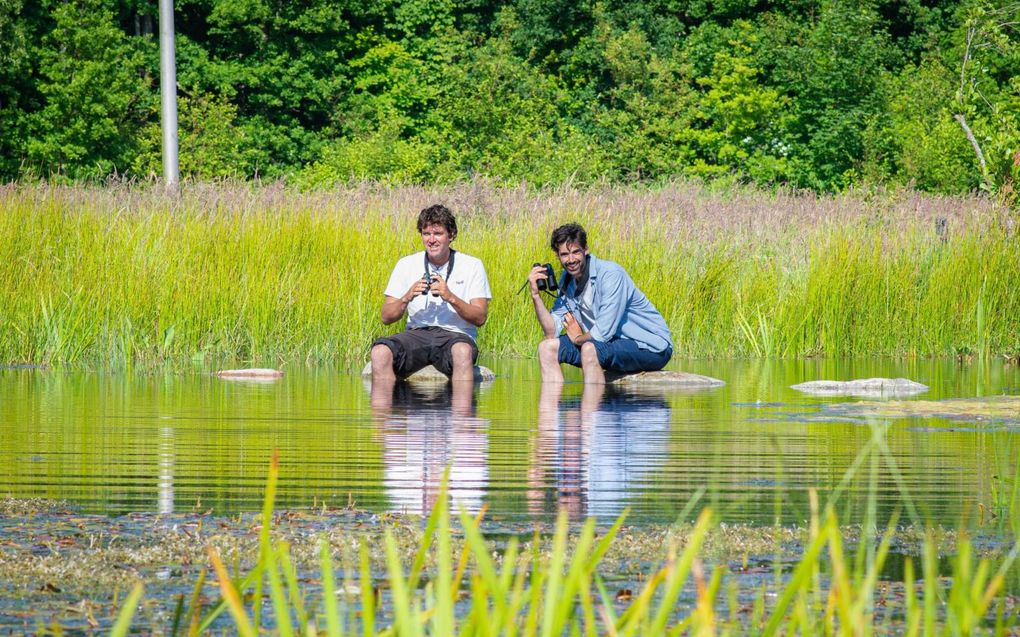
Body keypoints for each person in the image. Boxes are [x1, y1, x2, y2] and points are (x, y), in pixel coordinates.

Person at [528, 222, 672, 384]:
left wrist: (577, 339)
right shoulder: (566, 280)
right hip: (608, 345)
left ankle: (592, 409)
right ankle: (551, 407)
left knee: (590, 349)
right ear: (557, 256)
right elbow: (551, 332)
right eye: (564, 255)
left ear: (586, 250)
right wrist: (535, 295)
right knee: (546, 348)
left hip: (650, 347)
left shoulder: (611, 274)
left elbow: (602, 334)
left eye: (576, 252)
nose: (571, 260)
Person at [371, 204, 491, 384]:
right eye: (426, 234)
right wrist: (406, 297)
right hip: (418, 333)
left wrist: (450, 297)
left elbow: (480, 317)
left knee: (462, 352)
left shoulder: (472, 265)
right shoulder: (406, 264)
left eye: (438, 233)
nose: (431, 240)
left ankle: (462, 412)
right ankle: (388, 411)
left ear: (451, 235)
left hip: (456, 334)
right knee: (380, 352)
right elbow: (386, 317)